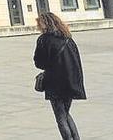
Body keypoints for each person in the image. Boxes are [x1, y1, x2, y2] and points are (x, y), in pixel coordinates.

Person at [33, 12, 86, 140]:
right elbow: (77, 60)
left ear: (45, 23)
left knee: (60, 117)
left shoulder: (44, 39)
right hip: (71, 81)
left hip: (55, 83)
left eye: (39, 23)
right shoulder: (67, 37)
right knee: (65, 113)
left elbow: (39, 63)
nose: (38, 26)